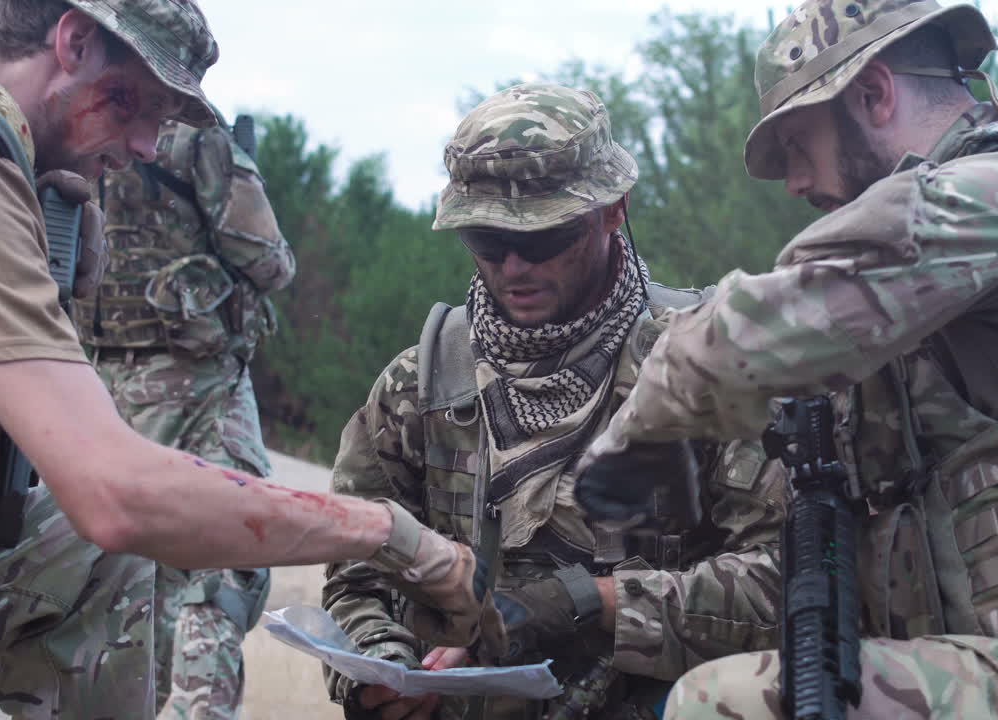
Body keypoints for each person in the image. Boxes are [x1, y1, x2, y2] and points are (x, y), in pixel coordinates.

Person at [0, 1, 486, 717]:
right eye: (133, 104)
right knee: (117, 537)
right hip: (186, 381)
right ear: (72, 42)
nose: (145, 146)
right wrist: (388, 532)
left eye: (162, 120)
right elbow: (114, 495)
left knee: (93, 558)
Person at [575, 1, 998, 718]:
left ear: (874, 93)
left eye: (798, 144)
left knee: (714, 702)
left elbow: (744, 335)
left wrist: (641, 434)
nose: (793, 183)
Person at [322, 82, 784, 720]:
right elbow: (357, 571)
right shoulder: (418, 386)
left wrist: (593, 600)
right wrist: (382, 666)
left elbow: (783, 582)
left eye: (542, 240)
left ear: (613, 210)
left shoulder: (703, 365)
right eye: (485, 240)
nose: (513, 266)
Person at [74, 109, 295, 719]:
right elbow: (271, 263)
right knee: (221, 562)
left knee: (123, 575)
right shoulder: (200, 141)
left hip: (97, 382)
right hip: (197, 382)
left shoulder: (83, 130)